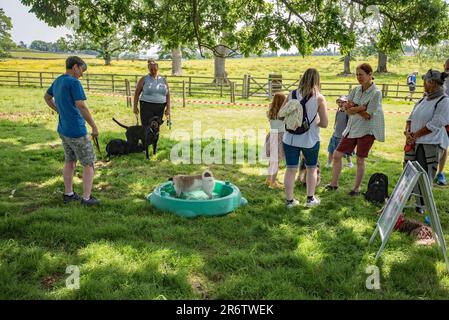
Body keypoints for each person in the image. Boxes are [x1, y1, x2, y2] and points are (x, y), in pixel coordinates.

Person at [44, 56, 100, 206]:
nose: (82, 74)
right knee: (88, 163)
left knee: (70, 161)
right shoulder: (74, 82)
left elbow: (47, 97)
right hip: (76, 130)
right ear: (76, 67)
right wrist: (94, 126)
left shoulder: (59, 80)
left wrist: (60, 111)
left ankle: (68, 194)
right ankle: (87, 198)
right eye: (82, 70)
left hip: (63, 129)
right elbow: (81, 106)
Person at [326, 63, 385, 195]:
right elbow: (346, 108)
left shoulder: (376, 93)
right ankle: (333, 184)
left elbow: (368, 115)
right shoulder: (356, 89)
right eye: (357, 74)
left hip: (367, 130)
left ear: (370, 75)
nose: (359, 77)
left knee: (359, 159)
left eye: (361, 74)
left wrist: (355, 108)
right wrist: (360, 107)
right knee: (337, 155)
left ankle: (356, 188)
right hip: (352, 128)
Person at [279, 68, 329, 208]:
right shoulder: (319, 98)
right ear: (317, 80)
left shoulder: (291, 94)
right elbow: (324, 124)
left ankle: (290, 201)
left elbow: (281, 114)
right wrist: (314, 123)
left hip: (290, 138)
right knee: (312, 168)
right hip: (310, 139)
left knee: (290, 169)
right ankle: (310, 199)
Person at [404, 69, 449, 213]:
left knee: (424, 174)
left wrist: (415, 135)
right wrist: (408, 132)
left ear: (435, 83)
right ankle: (408, 200)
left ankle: (422, 205)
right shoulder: (423, 99)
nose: (424, 84)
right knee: (409, 171)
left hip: (430, 143)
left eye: (427, 81)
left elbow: (435, 123)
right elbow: (411, 117)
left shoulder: (444, 101)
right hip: (414, 141)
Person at [133, 59, 170, 125]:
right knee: (147, 127)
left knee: (156, 127)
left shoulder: (163, 79)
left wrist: (168, 108)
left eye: (155, 69)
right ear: (148, 69)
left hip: (160, 107)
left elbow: (167, 95)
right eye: (151, 69)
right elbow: (137, 93)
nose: (153, 71)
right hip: (146, 106)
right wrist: (135, 107)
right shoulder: (144, 79)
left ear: (158, 68)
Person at [264, 92, 287, 189]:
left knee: (271, 161)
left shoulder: (270, 112)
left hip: (272, 135)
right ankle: (273, 182)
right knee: (276, 161)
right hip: (280, 137)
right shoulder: (284, 113)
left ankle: (269, 179)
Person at [326, 95, 354, 169]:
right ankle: (329, 163)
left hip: (343, 136)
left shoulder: (347, 113)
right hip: (335, 135)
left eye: (343, 102)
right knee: (331, 150)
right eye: (339, 102)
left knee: (346, 152)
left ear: (346, 103)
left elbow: (349, 125)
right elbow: (337, 121)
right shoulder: (338, 111)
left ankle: (350, 163)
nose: (340, 104)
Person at [435, 58, 449, 185]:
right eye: (447, 67)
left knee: (445, 146)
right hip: (438, 115)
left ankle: (440, 172)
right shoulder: (439, 78)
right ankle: (431, 170)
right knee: (437, 144)